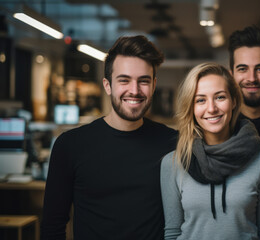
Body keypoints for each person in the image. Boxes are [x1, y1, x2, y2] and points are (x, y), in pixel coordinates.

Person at [41, 35, 177, 239]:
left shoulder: (172, 143)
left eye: (144, 81)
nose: (134, 90)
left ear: (154, 85)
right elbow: (53, 225)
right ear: (107, 85)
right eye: (124, 80)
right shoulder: (70, 145)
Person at [160, 63, 260, 239]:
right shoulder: (173, 163)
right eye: (200, 100)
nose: (211, 108)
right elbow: (172, 233)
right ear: (191, 108)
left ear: (233, 101)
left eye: (220, 97)